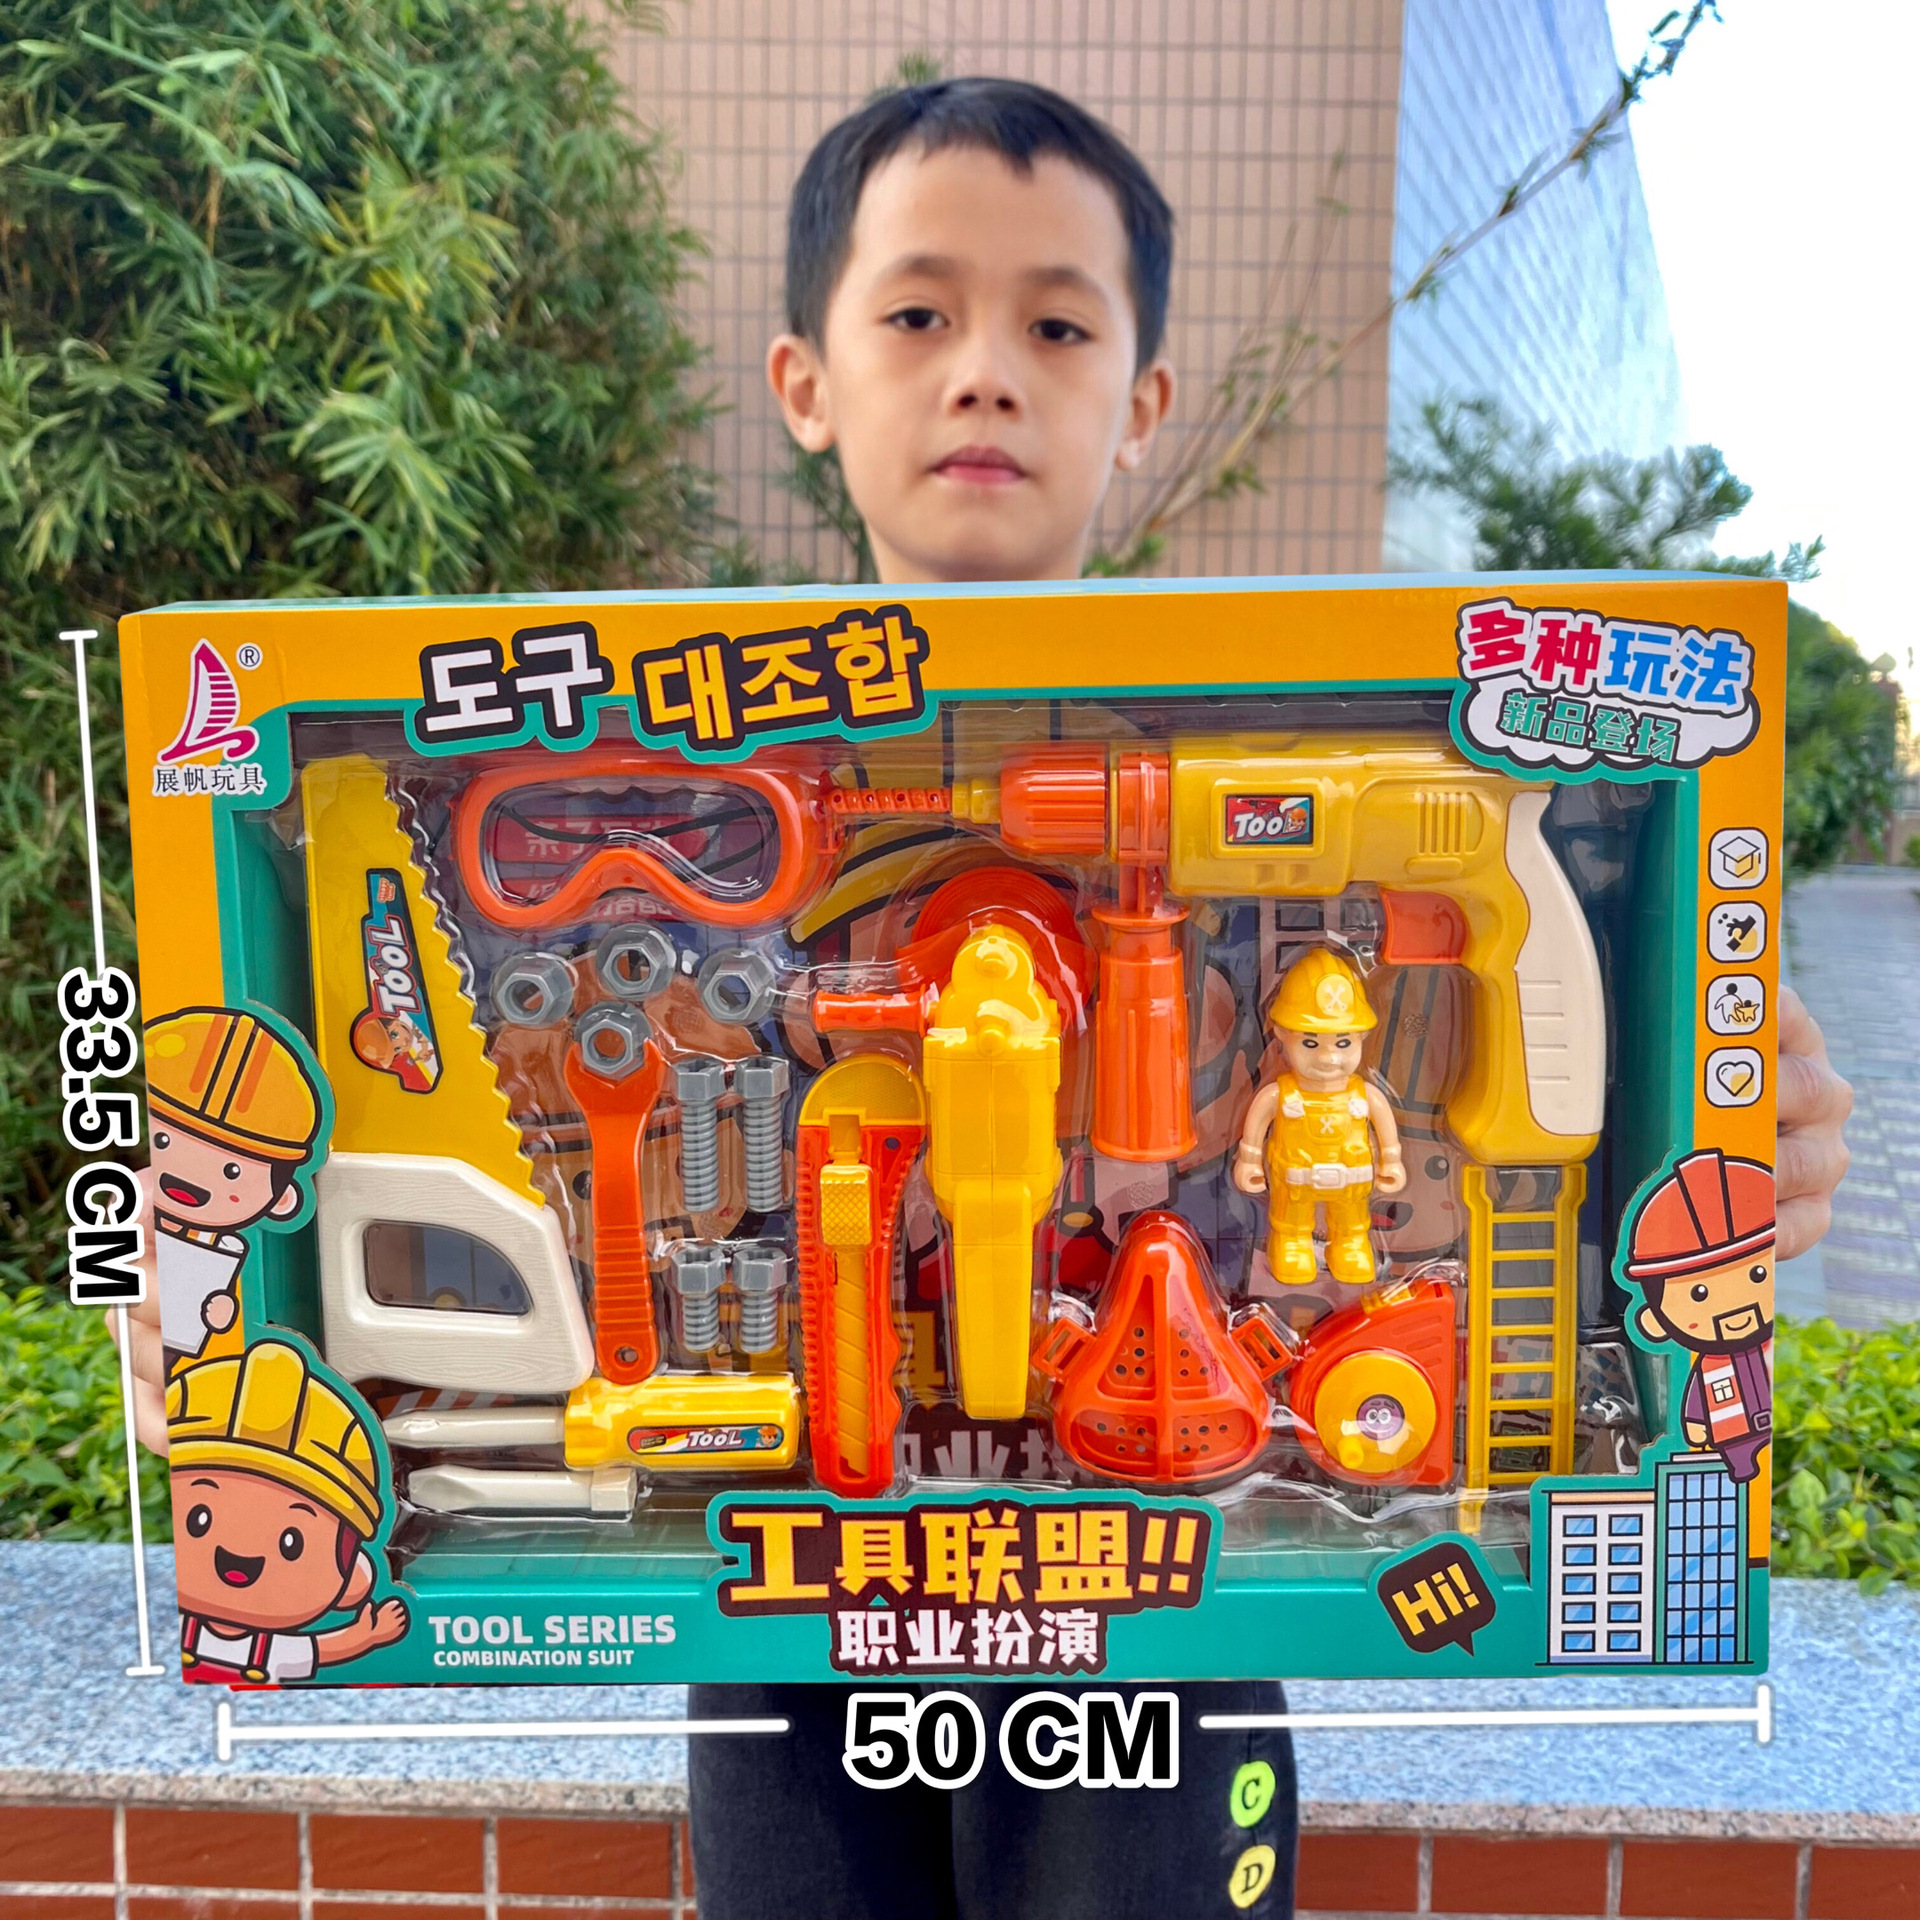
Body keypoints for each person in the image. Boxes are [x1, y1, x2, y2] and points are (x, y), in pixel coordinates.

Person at [113, 70, 1854, 1920]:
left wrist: (1710, 1123)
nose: (986, 374)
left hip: (1174, 1580)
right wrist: (215, 1298)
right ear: (806, 382)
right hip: (789, 1598)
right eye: (919, 313)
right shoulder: (709, 780)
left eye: (1058, 324)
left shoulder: (1323, 791)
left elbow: (1623, 1145)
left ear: (1144, 401)